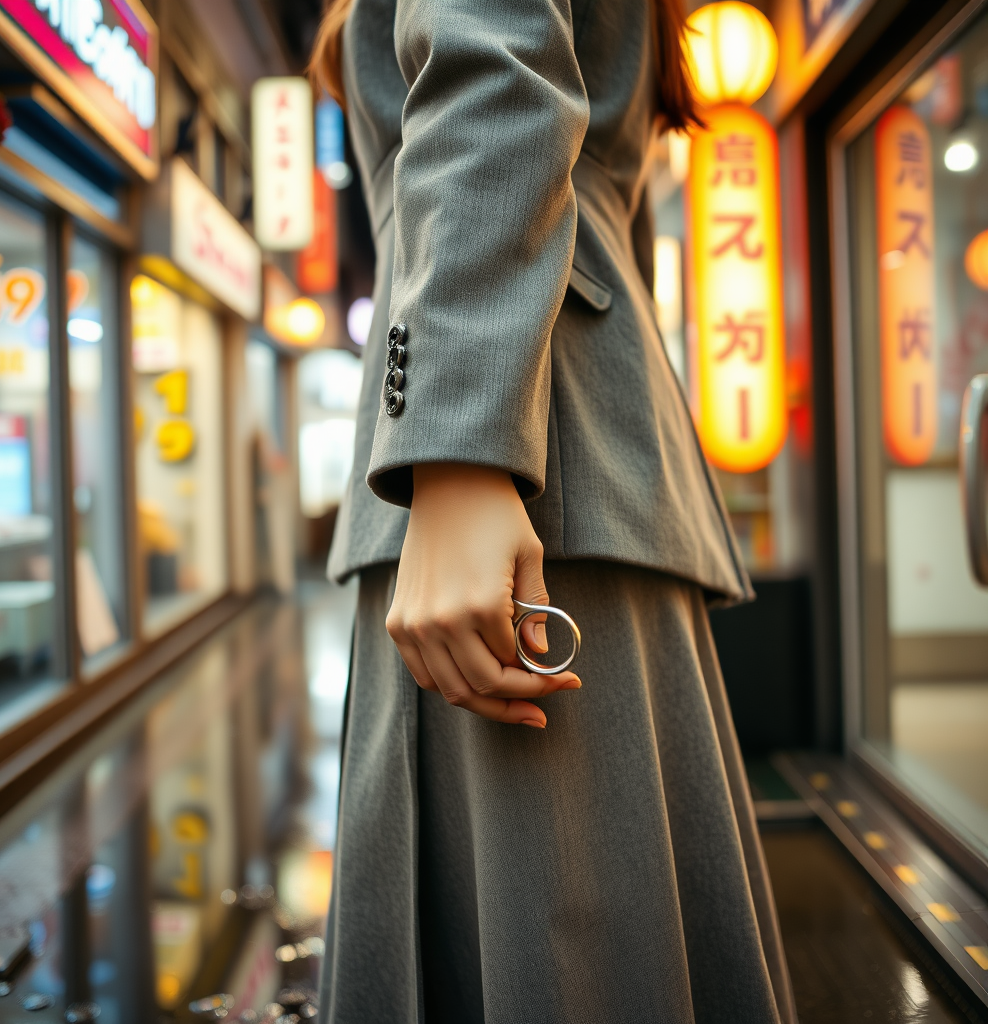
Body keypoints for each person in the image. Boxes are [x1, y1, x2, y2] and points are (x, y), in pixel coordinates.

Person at [312, 1, 798, 1021]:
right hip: (538, 433)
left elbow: (495, 68)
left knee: (559, 955)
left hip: (515, 452)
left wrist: (457, 451)